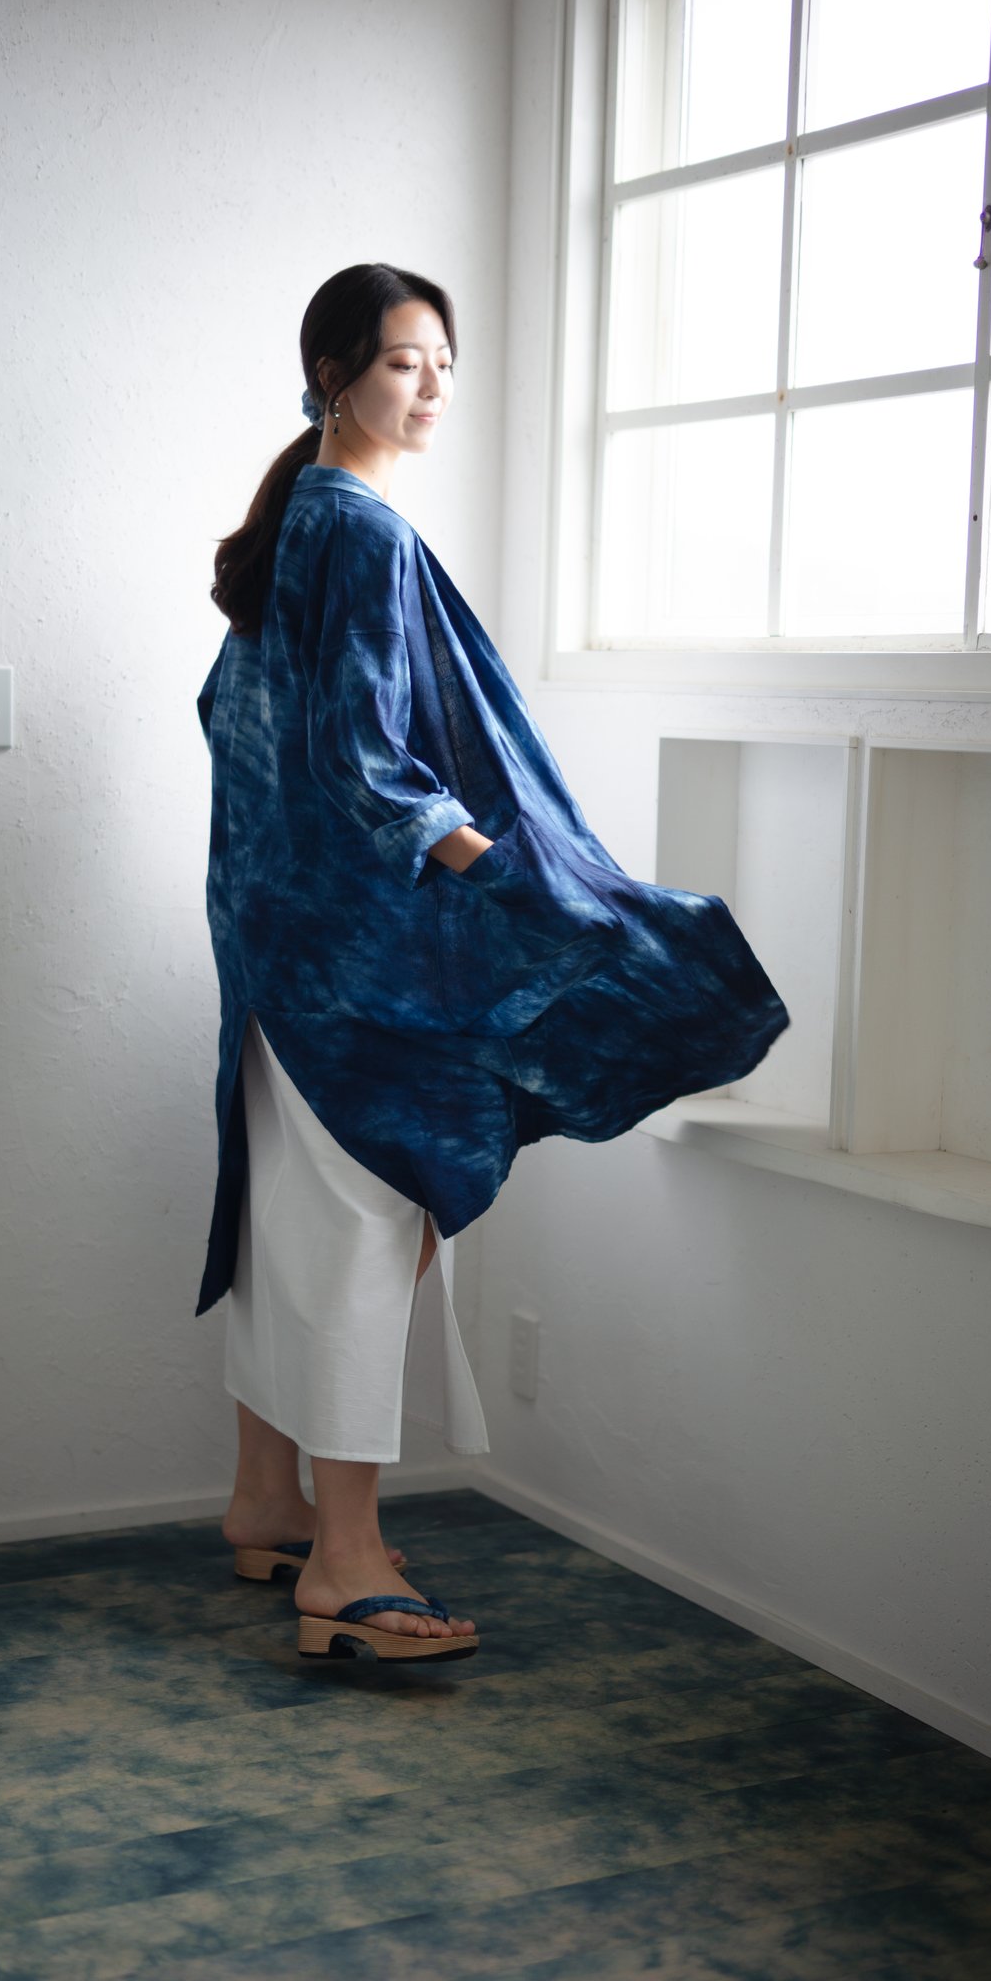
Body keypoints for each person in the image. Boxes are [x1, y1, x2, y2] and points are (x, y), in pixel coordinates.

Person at [196, 263, 789, 1664]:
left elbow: (239, 725)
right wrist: (509, 876)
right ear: (335, 373)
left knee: (298, 1224)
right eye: (405, 362)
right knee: (366, 1233)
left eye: (444, 364)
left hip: (281, 940)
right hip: (353, 962)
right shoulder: (358, 531)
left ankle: (267, 1499)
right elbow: (366, 762)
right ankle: (343, 1565)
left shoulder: (298, 521)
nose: (433, 388)